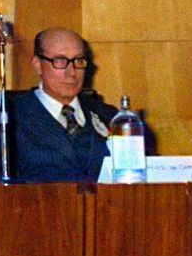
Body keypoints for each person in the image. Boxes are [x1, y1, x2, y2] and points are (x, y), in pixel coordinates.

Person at [7, 27, 118, 183]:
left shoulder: (110, 116)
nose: (72, 72)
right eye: (60, 61)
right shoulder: (9, 120)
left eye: (78, 60)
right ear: (38, 65)